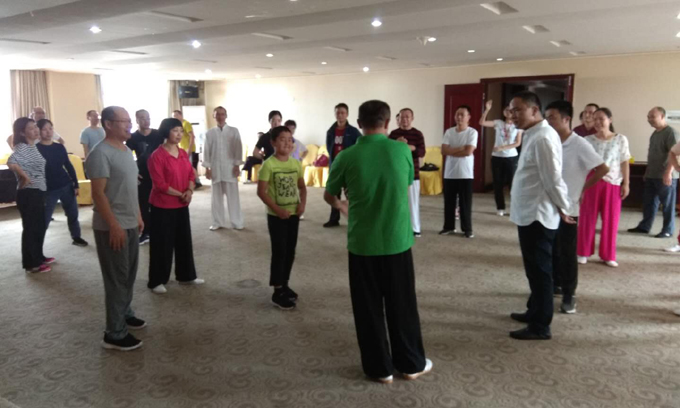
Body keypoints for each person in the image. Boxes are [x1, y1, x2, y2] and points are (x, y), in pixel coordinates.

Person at [324, 100, 431, 384]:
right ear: (387, 122)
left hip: (362, 244)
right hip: (397, 241)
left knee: (368, 308)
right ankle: (411, 364)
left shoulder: (346, 156)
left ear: (359, 124)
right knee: (402, 304)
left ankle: (379, 369)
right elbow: (406, 184)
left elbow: (329, 195)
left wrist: (342, 205)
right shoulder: (401, 150)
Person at [508, 91, 571, 341]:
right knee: (533, 269)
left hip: (538, 214)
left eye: (518, 110)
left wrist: (564, 207)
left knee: (540, 271)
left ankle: (541, 325)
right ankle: (534, 311)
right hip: (528, 212)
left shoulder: (543, 137)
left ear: (534, 111)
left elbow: (552, 178)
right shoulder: (533, 133)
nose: (513, 115)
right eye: (511, 110)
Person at [86, 106, 146, 351]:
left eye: (129, 120)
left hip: (130, 222)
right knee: (116, 279)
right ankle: (114, 333)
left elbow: (130, 187)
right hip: (112, 226)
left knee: (128, 274)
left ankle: (125, 313)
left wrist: (138, 215)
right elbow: (98, 194)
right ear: (109, 124)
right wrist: (114, 226)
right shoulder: (100, 153)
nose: (129, 125)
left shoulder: (126, 150)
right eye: (124, 121)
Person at [545, 101, 608, 313]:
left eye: (552, 117)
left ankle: (569, 293)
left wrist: (583, 188)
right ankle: (555, 284)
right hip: (547, 205)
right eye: (546, 117)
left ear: (566, 119)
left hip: (569, 206)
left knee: (567, 251)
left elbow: (602, 168)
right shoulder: (548, 140)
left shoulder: (579, 144)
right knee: (550, 248)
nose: (548, 122)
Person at [147, 118, 204, 294]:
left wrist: (190, 190)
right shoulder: (157, 156)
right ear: (166, 132)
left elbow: (191, 175)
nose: (179, 134)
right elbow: (160, 185)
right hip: (162, 206)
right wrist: (182, 194)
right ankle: (157, 280)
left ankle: (186, 276)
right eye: (175, 131)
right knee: (162, 244)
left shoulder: (182, 154)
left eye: (181, 131)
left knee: (184, 241)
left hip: (181, 204)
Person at [257, 126, 307, 310]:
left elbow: (302, 187)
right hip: (276, 216)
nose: (287, 143)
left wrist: (302, 205)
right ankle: (277, 291)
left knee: (290, 251)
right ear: (273, 143)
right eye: (282, 139)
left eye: (290, 139)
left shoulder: (295, 164)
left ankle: (285, 284)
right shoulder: (268, 165)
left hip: (293, 215)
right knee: (279, 251)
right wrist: (277, 210)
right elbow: (261, 192)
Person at [578, 108, 631, 268]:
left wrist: (626, 183)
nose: (598, 122)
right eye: (595, 119)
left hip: (613, 183)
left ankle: (608, 255)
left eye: (601, 118)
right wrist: (580, 187)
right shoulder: (587, 140)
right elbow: (582, 164)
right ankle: (583, 252)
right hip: (592, 182)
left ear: (610, 120)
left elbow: (624, 162)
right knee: (587, 218)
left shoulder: (620, 139)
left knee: (611, 220)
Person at [7, 118, 54, 273]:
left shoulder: (32, 146)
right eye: (31, 128)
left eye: (36, 127)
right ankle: (31, 264)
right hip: (28, 193)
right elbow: (11, 161)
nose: (36, 130)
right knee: (31, 228)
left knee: (39, 226)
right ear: (22, 132)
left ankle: (38, 256)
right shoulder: (22, 147)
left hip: (38, 191)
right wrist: (25, 177)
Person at [628, 107, 680, 238]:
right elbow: (652, 154)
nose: (649, 119)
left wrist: (668, 172)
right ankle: (644, 226)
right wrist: (647, 172)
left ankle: (668, 230)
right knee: (649, 203)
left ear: (662, 116)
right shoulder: (655, 133)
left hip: (666, 176)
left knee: (667, 205)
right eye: (648, 117)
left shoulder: (671, 133)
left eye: (652, 116)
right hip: (652, 174)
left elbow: (674, 154)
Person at [36, 119, 88, 247]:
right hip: (48, 189)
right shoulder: (35, 149)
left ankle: (76, 237)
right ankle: (36, 245)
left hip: (66, 185)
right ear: (39, 131)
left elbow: (68, 165)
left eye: (50, 128)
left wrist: (75, 184)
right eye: (44, 129)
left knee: (73, 214)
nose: (48, 132)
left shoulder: (59, 147)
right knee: (45, 218)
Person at [126, 109, 163, 245]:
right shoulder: (132, 137)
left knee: (160, 203)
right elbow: (127, 156)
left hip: (159, 174)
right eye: (142, 118)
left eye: (148, 118)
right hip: (142, 175)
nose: (146, 120)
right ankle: (146, 232)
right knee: (143, 204)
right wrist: (133, 172)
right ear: (136, 120)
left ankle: (160, 230)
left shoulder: (158, 135)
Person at [440, 105, 478, 238]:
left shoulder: (472, 132)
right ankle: (448, 226)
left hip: (465, 173)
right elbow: (443, 151)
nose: (459, 117)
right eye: (457, 114)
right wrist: (460, 148)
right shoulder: (449, 132)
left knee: (465, 203)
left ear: (469, 117)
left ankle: (467, 229)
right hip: (449, 173)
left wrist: (452, 150)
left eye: (462, 114)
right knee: (449, 202)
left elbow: (468, 152)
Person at [204, 106, 244, 231]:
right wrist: (207, 168)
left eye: (222, 114)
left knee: (233, 197)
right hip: (216, 168)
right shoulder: (209, 133)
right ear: (214, 116)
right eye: (218, 114)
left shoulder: (234, 131)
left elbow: (238, 149)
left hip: (230, 168)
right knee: (216, 198)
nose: (220, 116)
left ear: (226, 116)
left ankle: (237, 222)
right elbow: (206, 151)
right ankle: (217, 222)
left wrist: (237, 165)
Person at [480, 100, 523, 216]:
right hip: (497, 158)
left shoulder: (518, 126)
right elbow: (482, 122)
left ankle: (515, 208)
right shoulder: (498, 123)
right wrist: (487, 110)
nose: (508, 112)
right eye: (506, 110)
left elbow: (518, 143)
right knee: (497, 183)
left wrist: (502, 147)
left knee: (513, 184)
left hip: (511, 157)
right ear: (504, 112)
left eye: (511, 110)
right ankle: (500, 207)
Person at [389, 108, 426, 236]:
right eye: (402, 117)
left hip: (413, 174)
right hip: (396, 174)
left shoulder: (417, 134)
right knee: (396, 203)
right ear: (398, 119)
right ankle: (397, 227)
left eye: (407, 117)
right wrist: (396, 144)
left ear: (412, 118)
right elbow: (388, 152)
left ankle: (415, 229)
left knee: (413, 203)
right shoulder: (393, 134)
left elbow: (422, 152)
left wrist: (411, 147)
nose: (404, 119)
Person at [324, 103, 361, 228]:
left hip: (349, 167)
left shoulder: (353, 131)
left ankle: (354, 218)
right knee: (333, 193)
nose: (340, 115)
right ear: (335, 114)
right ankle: (334, 219)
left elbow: (360, 146)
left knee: (351, 194)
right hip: (335, 166)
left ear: (347, 114)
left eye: (343, 113)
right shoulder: (330, 131)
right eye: (338, 112)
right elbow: (329, 148)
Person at [172, 110, 202, 188]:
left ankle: (197, 182)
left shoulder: (186, 124)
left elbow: (192, 136)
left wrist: (189, 149)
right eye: (173, 116)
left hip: (188, 149)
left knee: (190, 166)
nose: (174, 117)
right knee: (185, 167)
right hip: (181, 149)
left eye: (176, 115)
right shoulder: (178, 126)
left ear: (180, 115)